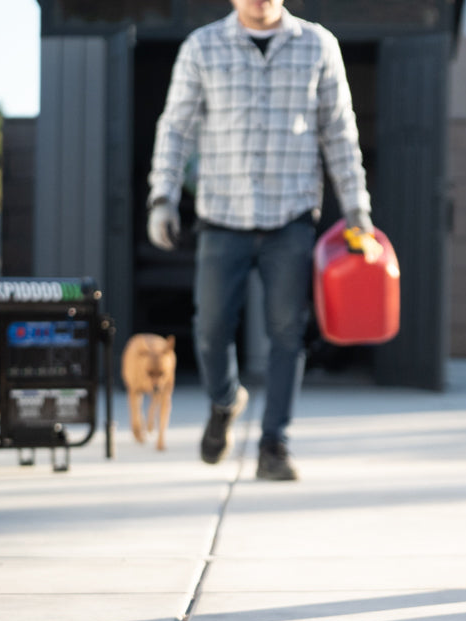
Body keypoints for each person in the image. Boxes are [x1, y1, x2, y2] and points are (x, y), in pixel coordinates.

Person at [146, 0, 382, 481]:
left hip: (289, 217)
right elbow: (176, 128)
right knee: (211, 329)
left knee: (287, 334)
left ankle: (274, 444)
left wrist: (357, 210)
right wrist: (162, 197)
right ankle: (225, 401)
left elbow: (339, 133)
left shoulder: (318, 45)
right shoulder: (202, 46)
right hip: (221, 215)